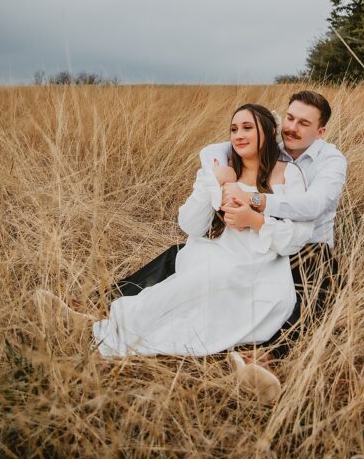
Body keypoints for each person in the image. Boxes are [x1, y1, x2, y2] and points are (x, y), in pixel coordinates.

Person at [38, 103, 317, 402]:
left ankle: (242, 355)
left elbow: (299, 236)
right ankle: (107, 326)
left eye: (248, 127)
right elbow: (190, 225)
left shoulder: (288, 174)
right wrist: (213, 182)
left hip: (262, 261)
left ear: (270, 131)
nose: (238, 134)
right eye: (234, 129)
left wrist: (254, 220)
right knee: (198, 281)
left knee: (234, 286)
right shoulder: (220, 170)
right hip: (215, 251)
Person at [104, 90, 347, 395]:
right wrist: (217, 176)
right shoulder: (269, 144)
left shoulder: (328, 161)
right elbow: (218, 149)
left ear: (320, 132)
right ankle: (104, 304)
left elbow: (314, 206)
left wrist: (254, 205)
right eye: (289, 118)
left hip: (306, 246)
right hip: (241, 245)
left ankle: (267, 353)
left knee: (316, 276)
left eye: (303, 123)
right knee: (183, 257)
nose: (292, 128)